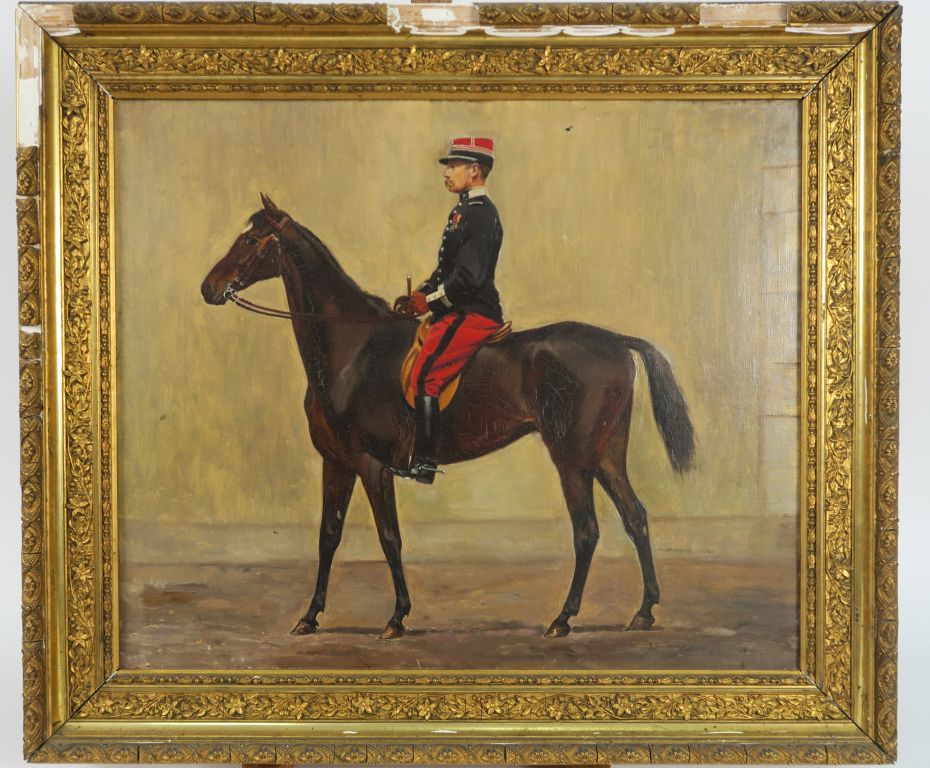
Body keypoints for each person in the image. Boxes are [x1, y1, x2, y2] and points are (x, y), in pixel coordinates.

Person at [392, 137, 505, 484]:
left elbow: (469, 278)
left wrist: (430, 302)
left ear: (474, 171)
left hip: (474, 311)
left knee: (425, 375)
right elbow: (446, 272)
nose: (446, 173)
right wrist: (420, 294)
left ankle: (426, 462)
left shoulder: (481, 214)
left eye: (454, 166)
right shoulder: (463, 210)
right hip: (458, 306)